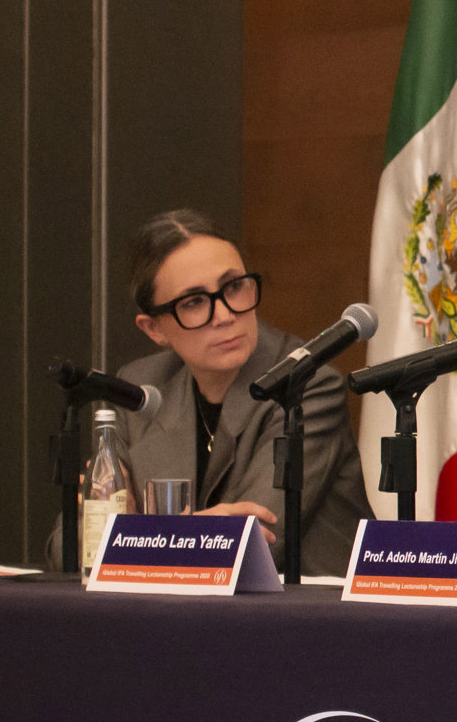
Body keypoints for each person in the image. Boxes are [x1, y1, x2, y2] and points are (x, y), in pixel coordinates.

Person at [48, 210, 371, 575]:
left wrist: (136, 531)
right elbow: (68, 547)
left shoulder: (307, 386)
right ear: (154, 329)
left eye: (233, 287)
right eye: (194, 302)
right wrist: (191, 530)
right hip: (178, 606)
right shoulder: (140, 388)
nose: (224, 315)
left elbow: (254, 543)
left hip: (303, 607)